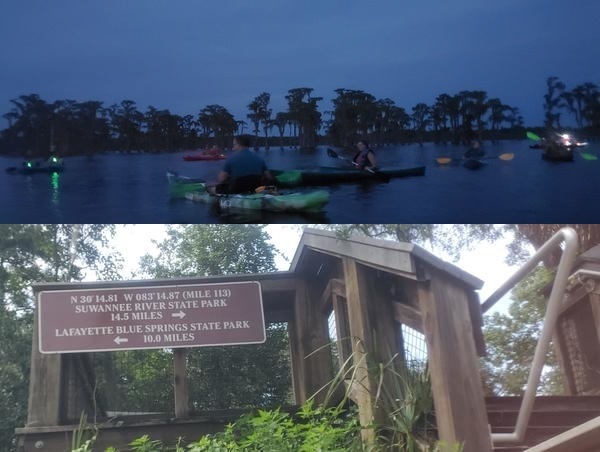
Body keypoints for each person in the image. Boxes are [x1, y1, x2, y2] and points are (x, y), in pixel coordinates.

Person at [208, 135, 272, 194]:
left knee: (208, 187)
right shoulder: (260, 159)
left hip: (236, 189)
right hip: (255, 188)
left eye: (234, 145)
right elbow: (269, 177)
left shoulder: (230, 160)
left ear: (239, 145)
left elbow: (221, 179)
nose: (233, 147)